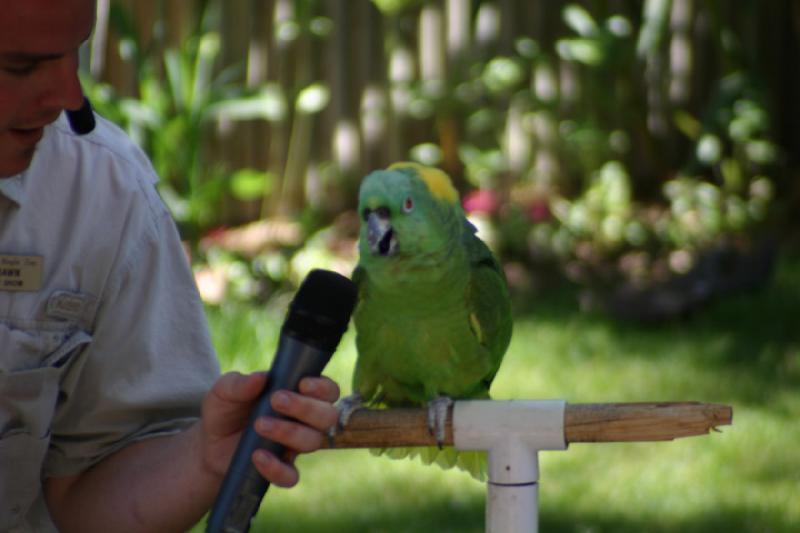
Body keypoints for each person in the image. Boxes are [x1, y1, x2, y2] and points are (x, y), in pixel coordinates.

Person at [0, 1, 341, 531]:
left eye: (76, 53)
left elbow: (84, 498)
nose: (68, 97)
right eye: (20, 67)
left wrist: (204, 458)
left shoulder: (101, 189)